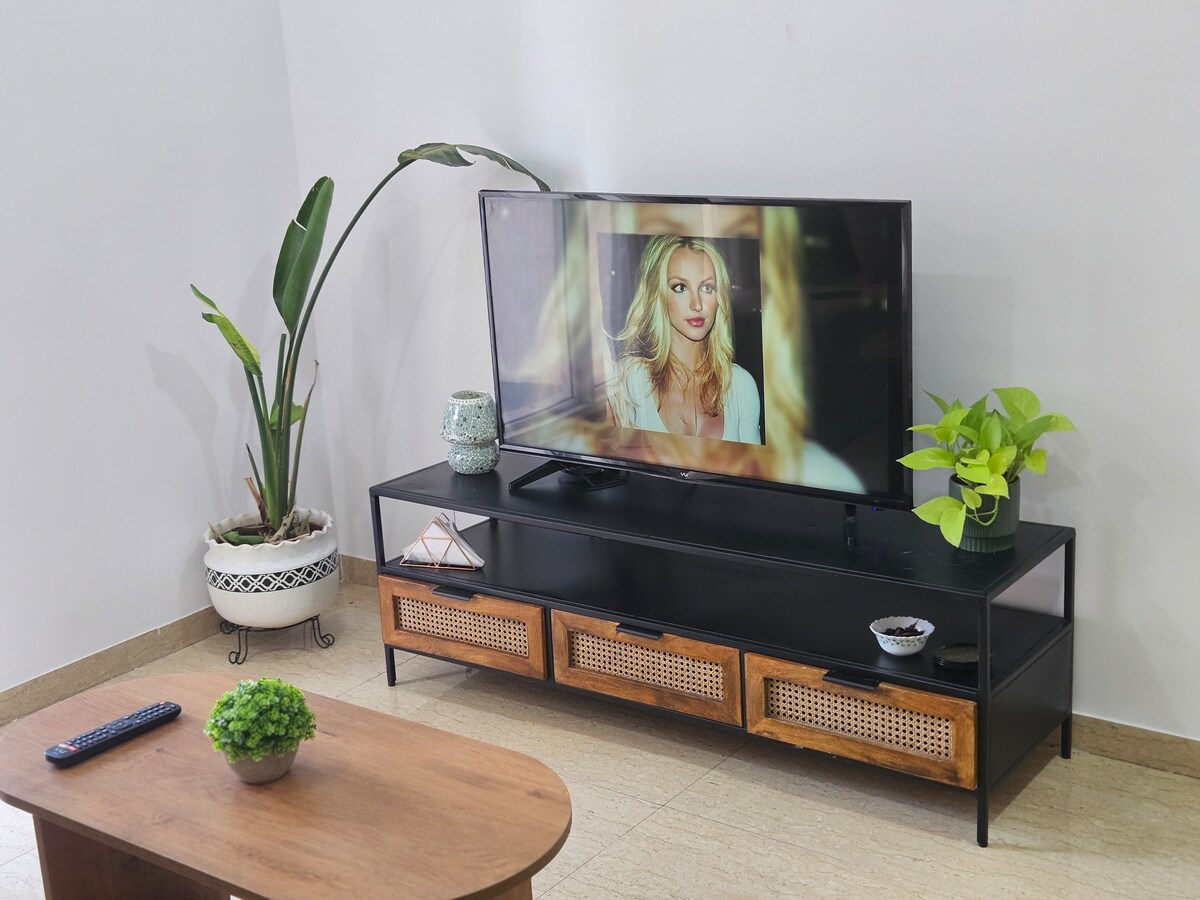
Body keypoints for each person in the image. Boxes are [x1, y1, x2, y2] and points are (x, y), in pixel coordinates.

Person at [607, 234, 762, 444]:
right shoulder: (628, 382)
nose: (696, 304)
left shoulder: (741, 386)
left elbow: (752, 466)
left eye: (707, 288)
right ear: (657, 294)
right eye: (680, 287)